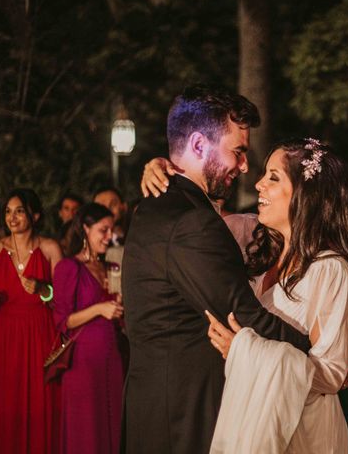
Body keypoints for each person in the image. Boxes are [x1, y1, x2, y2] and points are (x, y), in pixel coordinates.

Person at [121, 85, 312, 454]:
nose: (244, 166)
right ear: (197, 145)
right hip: (183, 414)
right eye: (237, 152)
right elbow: (243, 316)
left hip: (157, 404)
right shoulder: (191, 221)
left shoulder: (155, 205)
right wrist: (320, 358)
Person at [204, 138, 348, 452]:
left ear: (307, 195)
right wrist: (164, 169)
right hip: (258, 420)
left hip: (304, 431)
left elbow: (330, 374)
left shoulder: (330, 270)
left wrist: (242, 350)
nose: (259, 184)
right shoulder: (260, 256)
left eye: (273, 177)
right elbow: (200, 219)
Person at [0, 188, 63, 454]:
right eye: (8, 212)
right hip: (5, 336)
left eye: (19, 211)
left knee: (41, 401)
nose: (12, 218)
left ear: (34, 215)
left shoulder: (49, 248)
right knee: (6, 402)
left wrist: (42, 289)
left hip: (40, 332)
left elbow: (62, 299)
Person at [52, 202, 124, 454]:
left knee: (111, 426)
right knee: (86, 432)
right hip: (82, 363)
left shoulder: (110, 266)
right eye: (103, 230)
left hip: (111, 357)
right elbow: (62, 320)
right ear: (85, 229)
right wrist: (99, 309)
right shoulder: (69, 267)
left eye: (111, 231)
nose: (109, 237)